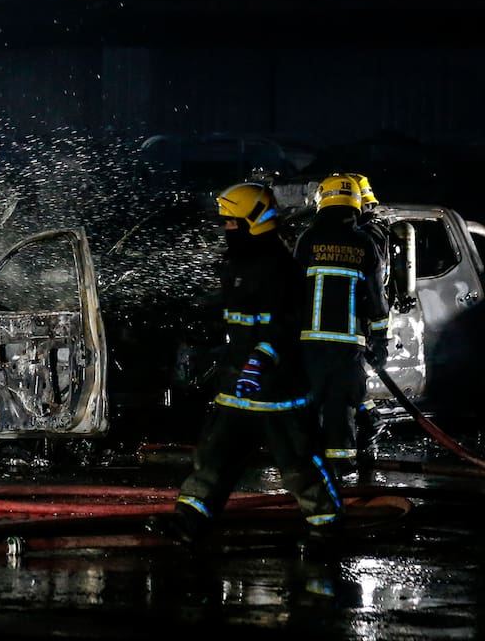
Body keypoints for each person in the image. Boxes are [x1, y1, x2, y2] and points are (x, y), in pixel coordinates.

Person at [146, 181, 343, 548]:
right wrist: (196, 314)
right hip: (237, 386)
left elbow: (284, 326)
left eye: (232, 222)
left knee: (299, 462)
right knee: (213, 459)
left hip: (277, 391)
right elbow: (234, 312)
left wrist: (259, 363)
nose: (226, 229)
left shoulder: (281, 268)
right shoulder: (239, 263)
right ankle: (188, 522)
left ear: (256, 221)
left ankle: (327, 527)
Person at [293, 174, 390, 474]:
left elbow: (292, 290)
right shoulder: (365, 244)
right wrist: (380, 341)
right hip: (349, 345)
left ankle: (306, 469)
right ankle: (343, 472)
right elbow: (377, 299)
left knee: (308, 405)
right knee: (342, 405)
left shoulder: (308, 239)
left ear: (323, 199)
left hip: (309, 344)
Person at [347, 172, 391, 465]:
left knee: (352, 377)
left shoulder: (371, 234)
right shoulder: (369, 232)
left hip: (359, 319)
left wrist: (379, 338)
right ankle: (369, 421)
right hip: (357, 319)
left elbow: (374, 285)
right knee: (354, 379)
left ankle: (371, 422)